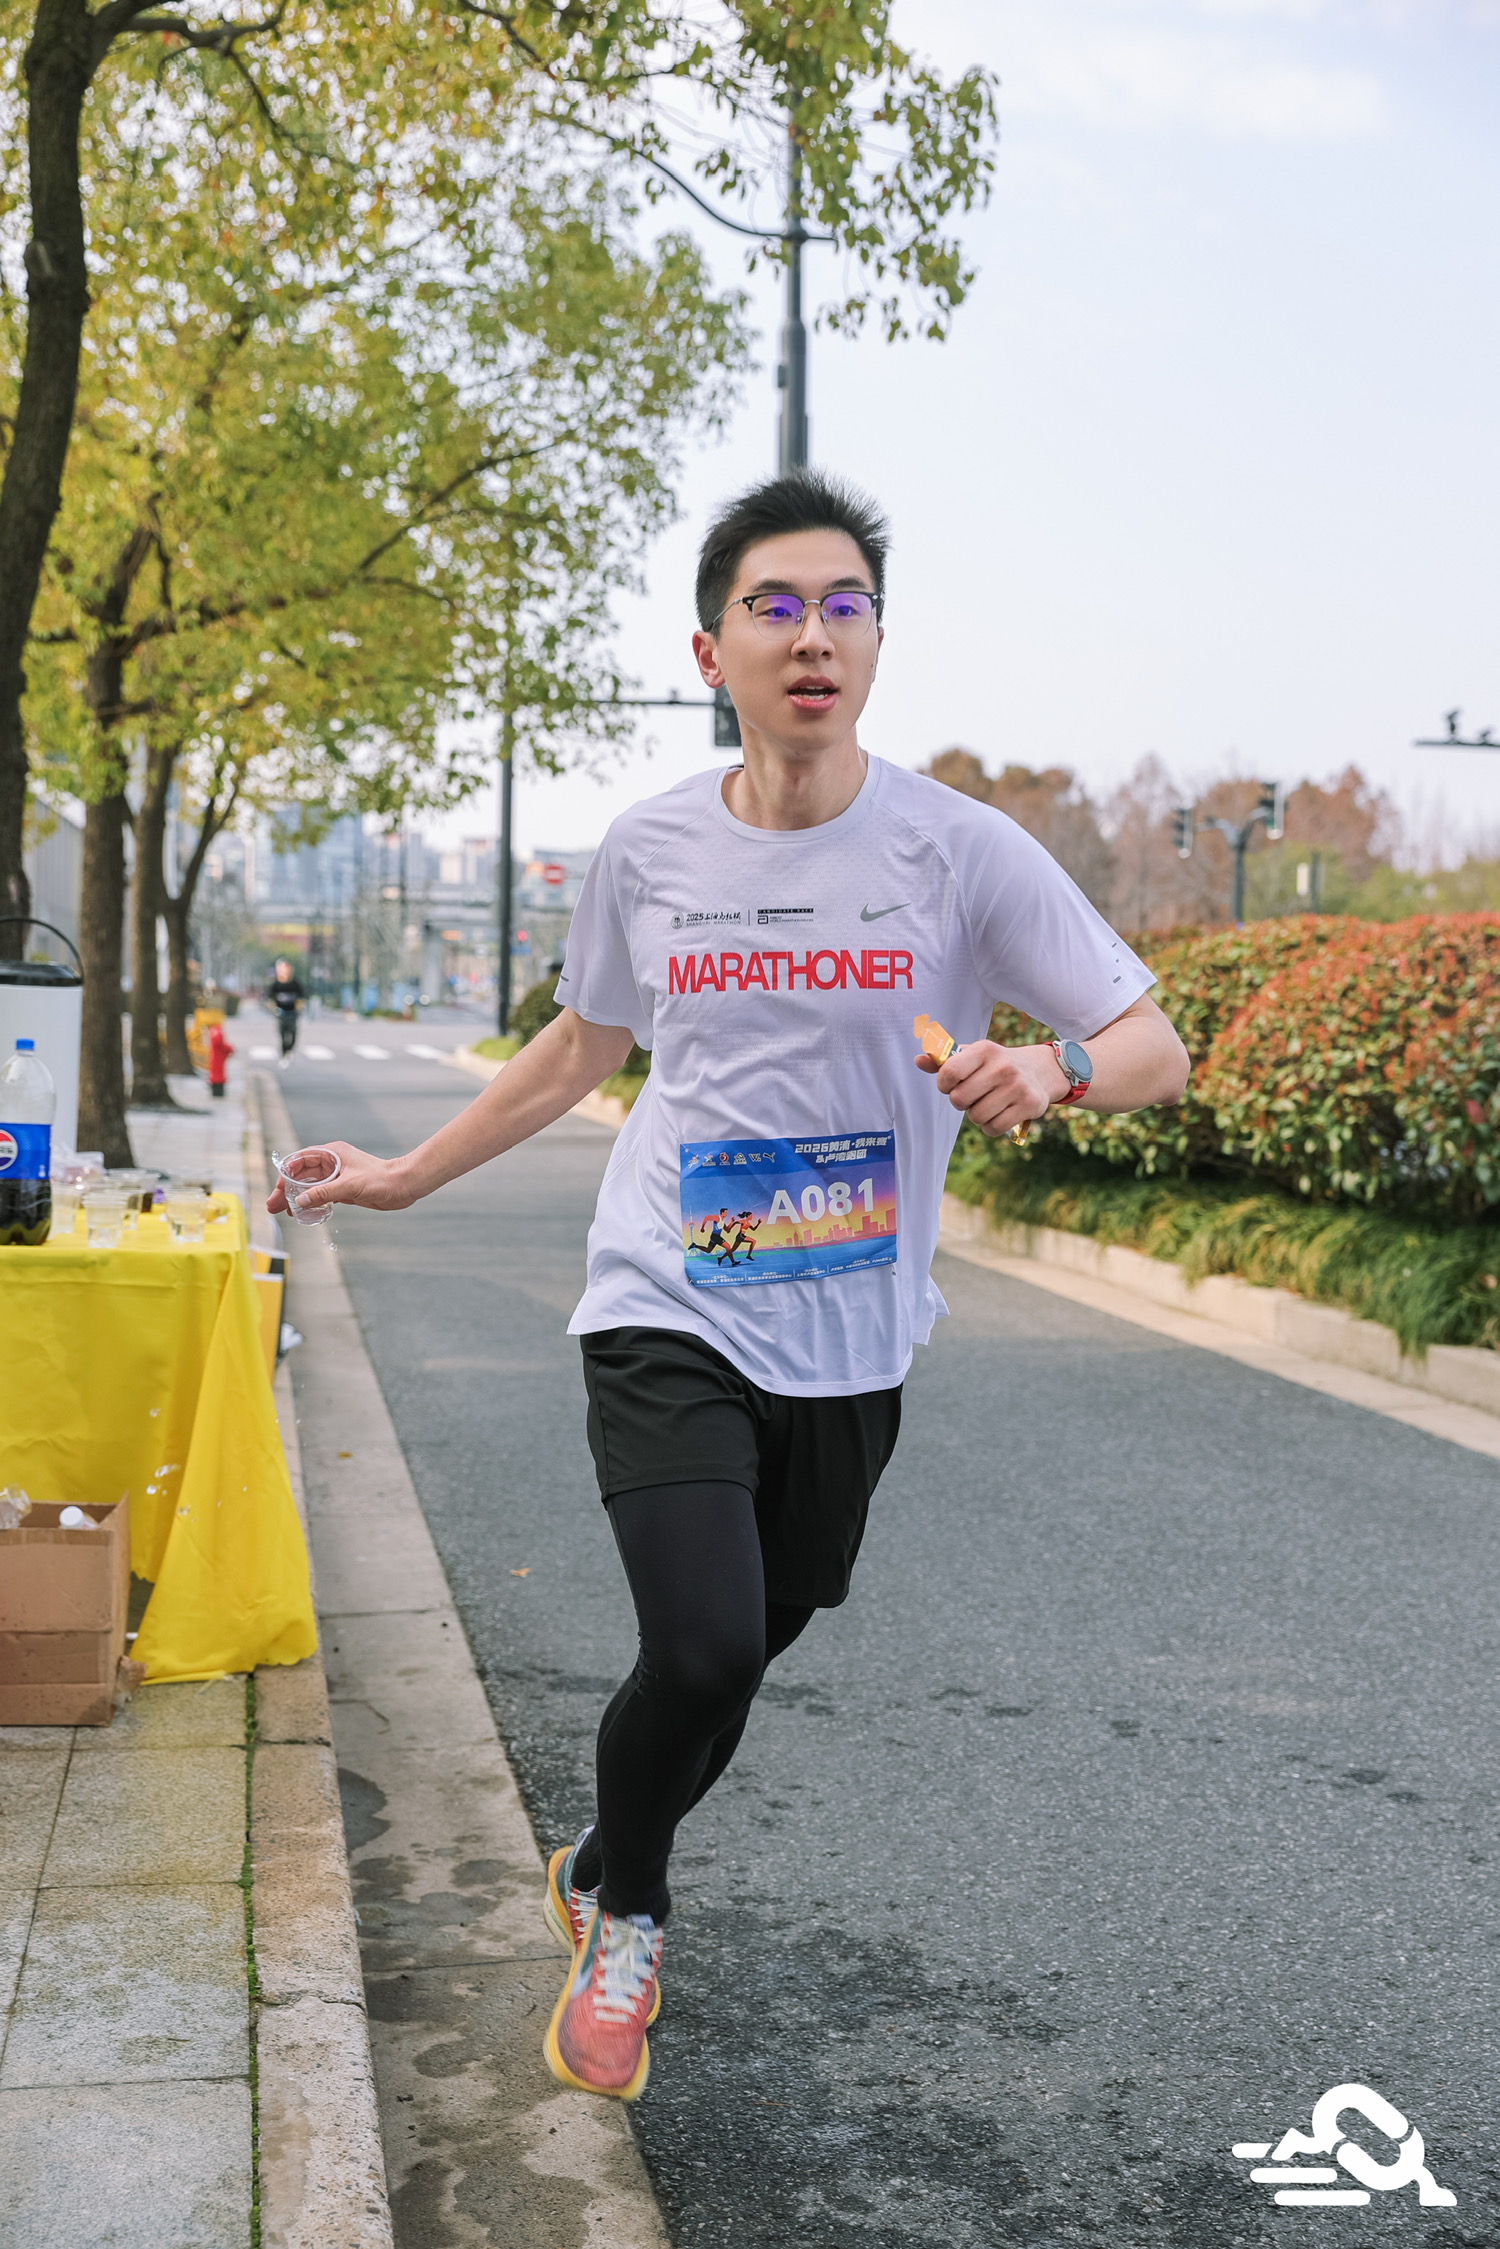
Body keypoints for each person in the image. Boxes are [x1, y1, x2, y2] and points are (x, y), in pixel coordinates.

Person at [269, 470, 1190, 2105]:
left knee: (756, 1642)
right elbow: (578, 1048)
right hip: (668, 1295)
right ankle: (633, 1913)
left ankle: (599, 1855)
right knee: (696, 1650)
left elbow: (1153, 1043)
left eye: (844, 605)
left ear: (878, 644)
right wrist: (405, 1175)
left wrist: (1054, 1070)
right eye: (775, 605)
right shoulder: (651, 849)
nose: (811, 634)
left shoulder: (960, 852)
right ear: (713, 651)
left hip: (853, 1329)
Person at [263, 960, 305, 1066]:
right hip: (281, 1014)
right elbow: (270, 999)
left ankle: (289, 1051)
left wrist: (299, 1008)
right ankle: (284, 1054)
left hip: (293, 1013)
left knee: (293, 1034)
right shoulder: (275, 985)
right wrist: (272, 1008)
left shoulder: (296, 984)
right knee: (282, 1035)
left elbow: (301, 998)